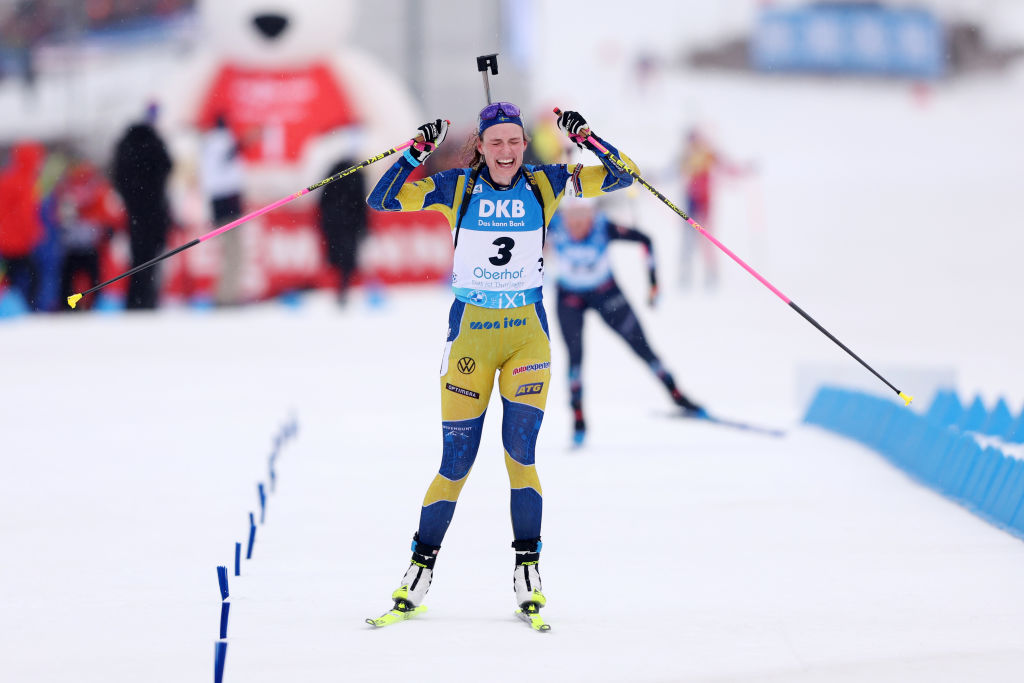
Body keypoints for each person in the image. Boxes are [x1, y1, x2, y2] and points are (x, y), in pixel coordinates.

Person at [365, 104, 637, 627]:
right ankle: (418, 573)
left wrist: (587, 137)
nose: (508, 151)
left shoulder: (548, 183)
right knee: (455, 465)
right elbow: (383, 197)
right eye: (497, 143)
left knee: (521, 456)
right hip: (470, 340)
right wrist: (416, 151)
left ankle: (527, 572)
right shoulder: (455, 188)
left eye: (515, 141)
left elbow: (625, 175)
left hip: (526, 343)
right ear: (481, 146)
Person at [548, 196, 704, 446]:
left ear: (591, 215)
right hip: (570, 298)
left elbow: (646, 240)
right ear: (563, 216)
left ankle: (678, 396)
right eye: (571, 217)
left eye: (582, 217)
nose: (577, 224)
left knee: (641, 346)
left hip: (605, 293)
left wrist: (653, 284)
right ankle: (578, 422)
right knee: (574, 355)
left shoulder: (604, 226)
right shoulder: (552, 225)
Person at [112, 102, 173, 310]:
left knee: (138, 256)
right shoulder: (155, 142)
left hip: (134, 211)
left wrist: (130, 197)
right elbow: (167, 167)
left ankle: (134, 300)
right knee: (153, 256)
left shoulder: (126, 145)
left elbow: (117, 177)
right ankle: (147, 299)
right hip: (155, 209)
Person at [679, 129, 748, 290]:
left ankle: (711, 274)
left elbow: (728, 166)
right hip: (691, 201)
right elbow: (672, 170)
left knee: (706, 238)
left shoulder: (708, 153)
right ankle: (686, 275)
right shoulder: (686, 155)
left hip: (704, 201)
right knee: (689, 240)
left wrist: (745, 170)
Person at [52, 161, 125, 311]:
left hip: (78, 244)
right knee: (90, 278)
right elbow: (108, 215)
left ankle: (71, 306)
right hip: (86, 244)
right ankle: (88, 305)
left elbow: (60, 217)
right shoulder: (95, 189)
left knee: (72, 278)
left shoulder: (69, 189)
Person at [199, 114, 246, 306]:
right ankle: (226, 298)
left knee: (230, 254)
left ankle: (226, 296)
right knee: (233, 254)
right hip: (229, 208)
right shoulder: (222, 142)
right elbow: (228, 176)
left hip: (219, 207)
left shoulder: (209, 145)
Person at [0, 141, 46, 310]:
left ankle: (12, 306)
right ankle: (27, 308)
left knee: (10, 277)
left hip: (5, 240)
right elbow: (26, 214)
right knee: (34, 275)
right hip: (20, 241)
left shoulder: (6, 177)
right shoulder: (26, 182)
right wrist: (35, 233)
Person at [318, 157, 367, 304]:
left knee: (341, 259)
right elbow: (362, 205)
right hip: (345, 224)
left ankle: (341, 288)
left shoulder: (342, 172)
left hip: (339, 223)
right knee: (344, 259)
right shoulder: (353, 174)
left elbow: (323, 200)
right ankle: (340, 288)